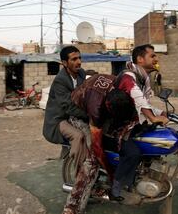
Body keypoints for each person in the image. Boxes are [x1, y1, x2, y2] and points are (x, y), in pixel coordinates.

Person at [62, 74, 138, 214]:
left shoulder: (125, 88)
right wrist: (111, 174)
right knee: (92, 161)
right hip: (79, 114)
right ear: (109, 107)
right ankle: (72, 207)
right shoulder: (96, 108)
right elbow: (98, 149)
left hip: (103, 105)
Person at [110, 44, 169, 200]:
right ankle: (115, 188)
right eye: (153, 56)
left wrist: (160, 113)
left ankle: (140, 177)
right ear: (140, 59)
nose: (156, 58)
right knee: (133, 153)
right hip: (119, 128)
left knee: (151, 144)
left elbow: (145, 103)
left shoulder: (144, 78)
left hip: (134, 124)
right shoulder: (128, 76)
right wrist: (152, 117)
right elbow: (137, 97)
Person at [43, 45, 89, 175]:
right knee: (78, 136)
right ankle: (80, 174)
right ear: (64, 63)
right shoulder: (60, 81)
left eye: (79, 58)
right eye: (74, 59)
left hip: (73, 117)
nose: (78, 62)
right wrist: (89, 115)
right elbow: (68, 107)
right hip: (59, 120)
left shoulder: (81, 73)